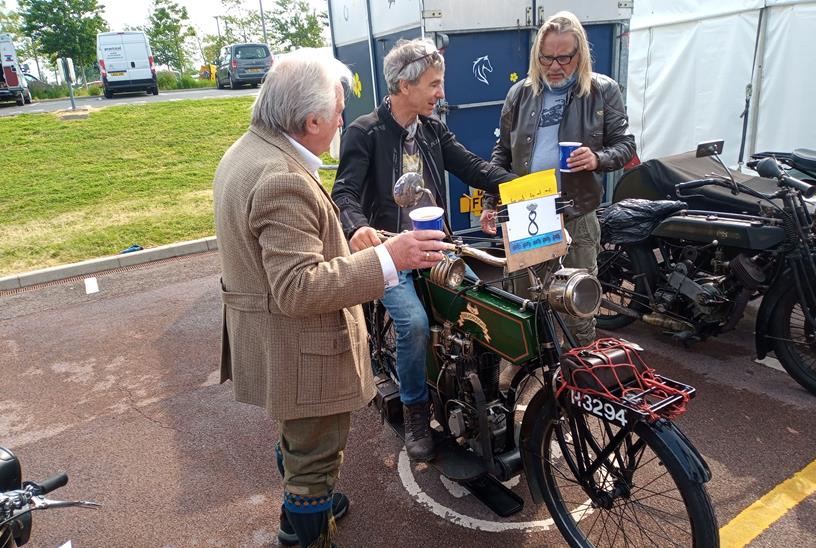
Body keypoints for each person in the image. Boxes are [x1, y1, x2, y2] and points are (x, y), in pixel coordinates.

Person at [213, 49, 448, 548]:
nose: (345, 118)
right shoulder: (281, 177)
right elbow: (298, 287)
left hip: (270, 336)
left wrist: (367, 242)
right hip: (300, 346)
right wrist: (392, 260)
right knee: (314, 456)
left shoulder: (251, 150)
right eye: (340, 110)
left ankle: (309, 502)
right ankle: (303, 527)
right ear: (312, 118)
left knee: (298, 439)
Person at [331, 38, 515, 462]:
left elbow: (474, 168)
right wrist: (358, 229)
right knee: (413, 323)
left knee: (483, 308)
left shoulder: (432, 131)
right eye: (434, 84)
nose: (441, 93)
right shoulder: (365, 132)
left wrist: (528, 188)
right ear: (403, 85)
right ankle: (415, 411)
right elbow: (344, 193)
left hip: (436, 246)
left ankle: (481, 399)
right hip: (390, 252)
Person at [480, 10, 636, 346]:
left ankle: (580, 372)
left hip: (576, 211)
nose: (554, 66)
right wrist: (491, 202)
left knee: (578, 300)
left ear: (580, 55)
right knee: (525, 296)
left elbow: (625, 145)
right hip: (527, 210)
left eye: (564, 57)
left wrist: (597, 158)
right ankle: (533, 373)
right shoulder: (520, 94)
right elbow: (501, 153)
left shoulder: (602, 91)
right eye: (546, 57)